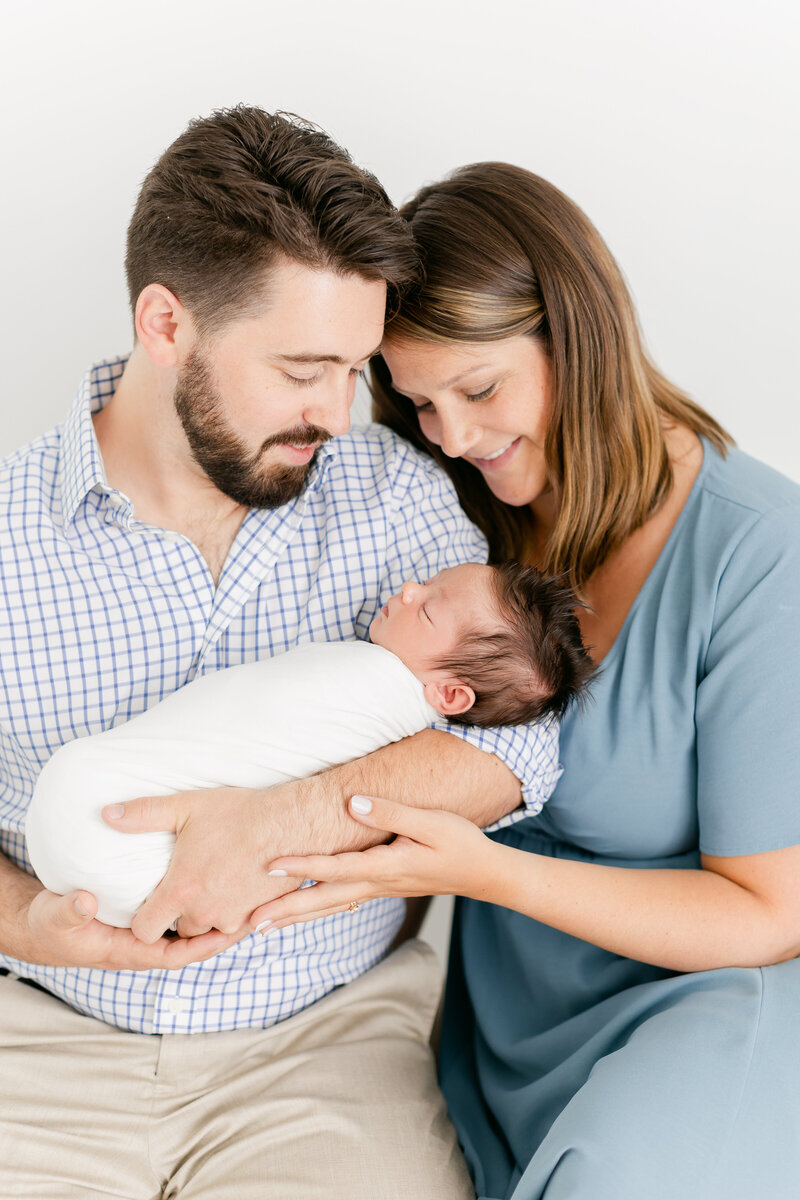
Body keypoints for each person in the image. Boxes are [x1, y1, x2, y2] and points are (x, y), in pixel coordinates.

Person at [0, 111, 563, 1199]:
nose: (340, 416)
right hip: (39, 1044)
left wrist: (278, 825)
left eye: (356, 370)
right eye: (304, 370)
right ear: (166, 325)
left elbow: (520, 745)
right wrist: (26, 920)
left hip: (322, 1054)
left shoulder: (392, 499)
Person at [250, 163, 800, 1199]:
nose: (453, 436)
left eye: (479, 388)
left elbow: (769, 915)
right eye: (418, 403)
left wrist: (486, 874)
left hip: (702, 1009)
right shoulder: (457, 524)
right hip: (502, 1036)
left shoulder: (758, 554)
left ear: (576, 335)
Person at [26, 561, 593, 928]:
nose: (407, 588)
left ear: (448, 693)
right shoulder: (378, 675)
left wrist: (283, 822)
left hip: (130, 859)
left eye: (427, 607)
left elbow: (524, 753)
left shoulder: (382, 693)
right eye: (426, 582)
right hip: (82, 899)